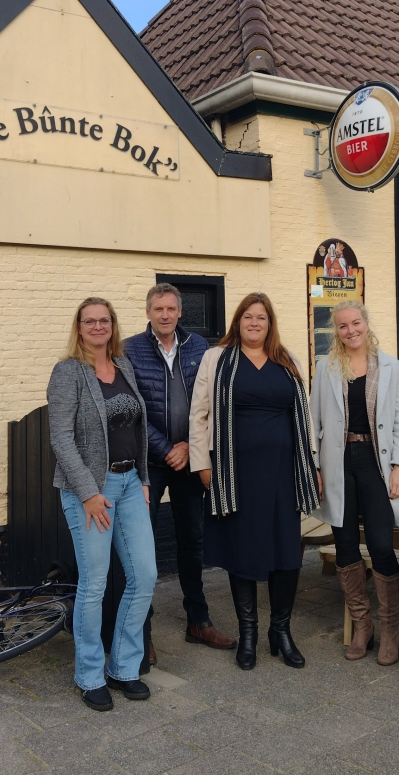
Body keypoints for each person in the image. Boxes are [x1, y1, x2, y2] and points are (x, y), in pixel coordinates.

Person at [189, 292, 319, 671]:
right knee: (242, 550)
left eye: (261, 317)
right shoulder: (218, 358)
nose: (254, 323)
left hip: (283, 471)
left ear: (269, 322)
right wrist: (202, 465)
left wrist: (310, 464)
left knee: (286, 553)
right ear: (238, 321)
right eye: (248, 317)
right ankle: (248, 633)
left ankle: (280, 632)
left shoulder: (288, 360)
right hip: (235, 474)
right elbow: (199, 415)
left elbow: (304, 418)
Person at [47, 297, 157, 712]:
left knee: (144, 576)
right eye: (89, 321)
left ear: (113, 325)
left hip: (130, 484)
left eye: (104, 320)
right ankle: (90, 674)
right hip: (89, 490)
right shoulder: (68, 372)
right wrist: (91, 493)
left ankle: (124, 667)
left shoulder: (123, 366)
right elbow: (61, 437)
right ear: (78, 328)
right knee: (94, 585)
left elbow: (137, 429)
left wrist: (143, 478)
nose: (97, 327)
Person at [124, 284, 237, 664]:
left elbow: (211, 402)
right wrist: (165, 448)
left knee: (193, 540)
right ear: (148, 312)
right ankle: (143, 631)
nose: (165, 315)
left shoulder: (199, 348)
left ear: (180, 311)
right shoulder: (130, 350)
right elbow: (133, 409)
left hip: (191, 459)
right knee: (142, 547)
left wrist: (190, 445)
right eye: (158, 309)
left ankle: (198, 619)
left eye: (171, 308)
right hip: (150, 463)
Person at [309, 300, 399, 664]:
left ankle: (389, 631)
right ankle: (362, 627)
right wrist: (316, 468)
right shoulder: (326, 367)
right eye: (342, 326)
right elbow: (313, 422)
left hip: (376, 464)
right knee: (346, 545)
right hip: (338, 463)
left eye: (355, 323)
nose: (350, 330)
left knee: (383, 545)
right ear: (335, 331)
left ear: (367, 324)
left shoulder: (391, 367)